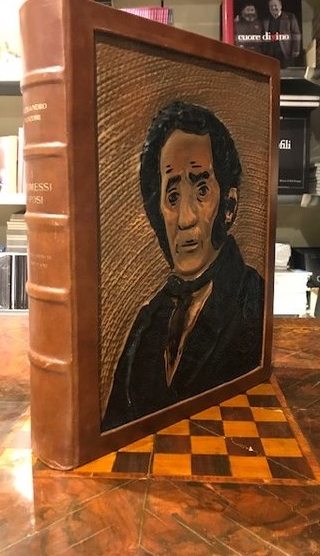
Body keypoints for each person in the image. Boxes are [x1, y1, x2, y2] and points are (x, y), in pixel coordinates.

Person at [102, 101, 265, 432]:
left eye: (201, 190)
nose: (185, 218)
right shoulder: (148, 321)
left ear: (229, 205)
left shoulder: (253, 300)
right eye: (173, 196)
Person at [262, 0, 301, 68]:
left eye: (275, 5)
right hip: (270, 53)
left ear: (280, 6)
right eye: (271, 6)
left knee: (286, 72)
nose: (273, 8)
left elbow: (296, 34)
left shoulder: (290, 17)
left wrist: (296, 50)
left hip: (285, 51)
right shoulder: (266, 20)